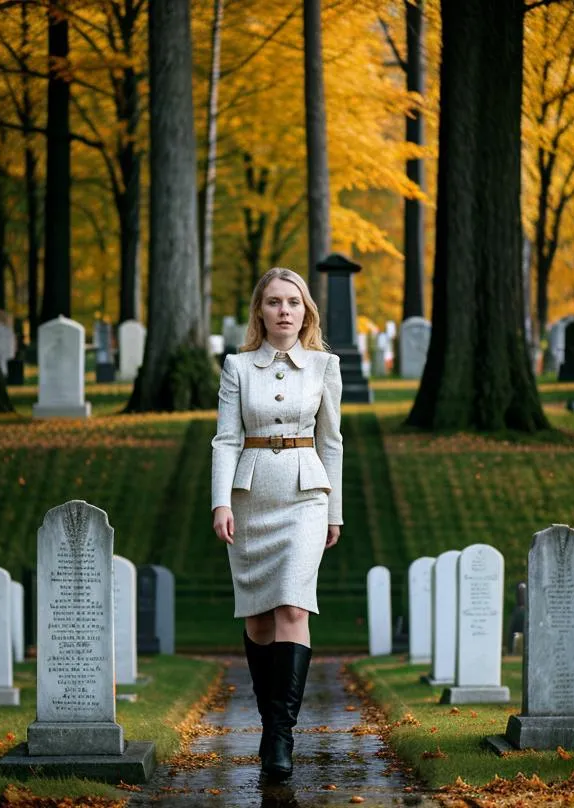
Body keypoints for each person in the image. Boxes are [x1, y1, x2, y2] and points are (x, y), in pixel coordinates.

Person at [211, 266, 343, 780]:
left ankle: (282, 736)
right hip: (250, 498)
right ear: (259, 311)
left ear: (305, 310)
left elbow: (331, 441)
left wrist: (334, 510)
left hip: (305, 496)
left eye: (293, 301)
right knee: (259, 618)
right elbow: (225, 439)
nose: (284, 310)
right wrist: (220, 503)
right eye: (273, 302)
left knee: (292, 603)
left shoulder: (324, 366)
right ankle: (269, 724)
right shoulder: (237, 367)